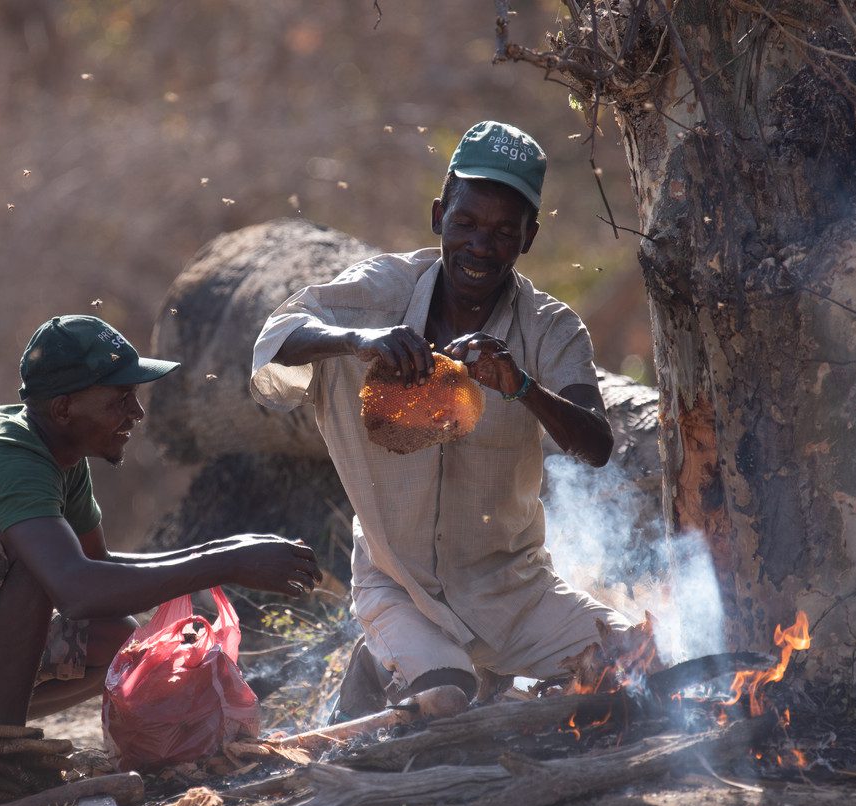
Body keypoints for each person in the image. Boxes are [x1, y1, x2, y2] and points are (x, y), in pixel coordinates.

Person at [251, 121, 630, 717]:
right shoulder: (380, 293)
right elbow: (274, 342)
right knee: (447, 704)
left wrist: (523, 387)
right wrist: (360, 339)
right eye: (467, 223)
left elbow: (597, 443)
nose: (482, 245)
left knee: (636, 662)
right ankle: (387, 665)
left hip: (515, 593)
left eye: (506, 231)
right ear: (438, 217)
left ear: (530, 237)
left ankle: (487, 676)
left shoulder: (550, 329)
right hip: (398, 587)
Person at [0, 314, 321, 735]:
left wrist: (231, 550)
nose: (136, 414)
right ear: (64, 406)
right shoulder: (12, 457)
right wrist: (228, 562)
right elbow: (77, 589)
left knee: (118, 639)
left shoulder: (61, 457)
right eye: (119, 399)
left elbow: (99, 569)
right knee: (32, 559)